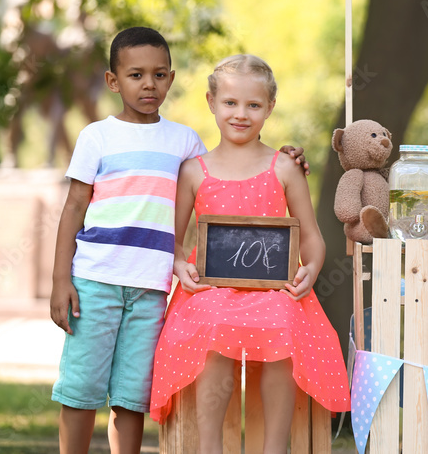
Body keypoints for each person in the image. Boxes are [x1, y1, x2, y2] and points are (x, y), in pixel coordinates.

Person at [50, 29, 307, 454]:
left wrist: (287, 157)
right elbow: (74, 209)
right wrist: (62, 279)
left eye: (158, 74)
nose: (148, 84)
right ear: (113, 81)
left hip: (153, 287)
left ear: (170, 79)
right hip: (95, 281)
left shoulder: (184, 141)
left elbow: (229, 173)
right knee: (81, 389)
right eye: (135, 74)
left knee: (131, 396)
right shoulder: (97, 136)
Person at [150, 54, 350, 454]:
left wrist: (311, 268)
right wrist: (177, 264)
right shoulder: (194, 171)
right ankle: (210, 447)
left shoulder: (284, 168)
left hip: (273, 288)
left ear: (269, 108)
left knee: (284, 322)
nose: (241, 114)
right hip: (210, 288)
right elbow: (171, 239)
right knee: (213, 322)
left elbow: (310, 235)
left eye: (253, 105)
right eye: (230, 103)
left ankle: (273, 448)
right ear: (211, 102)